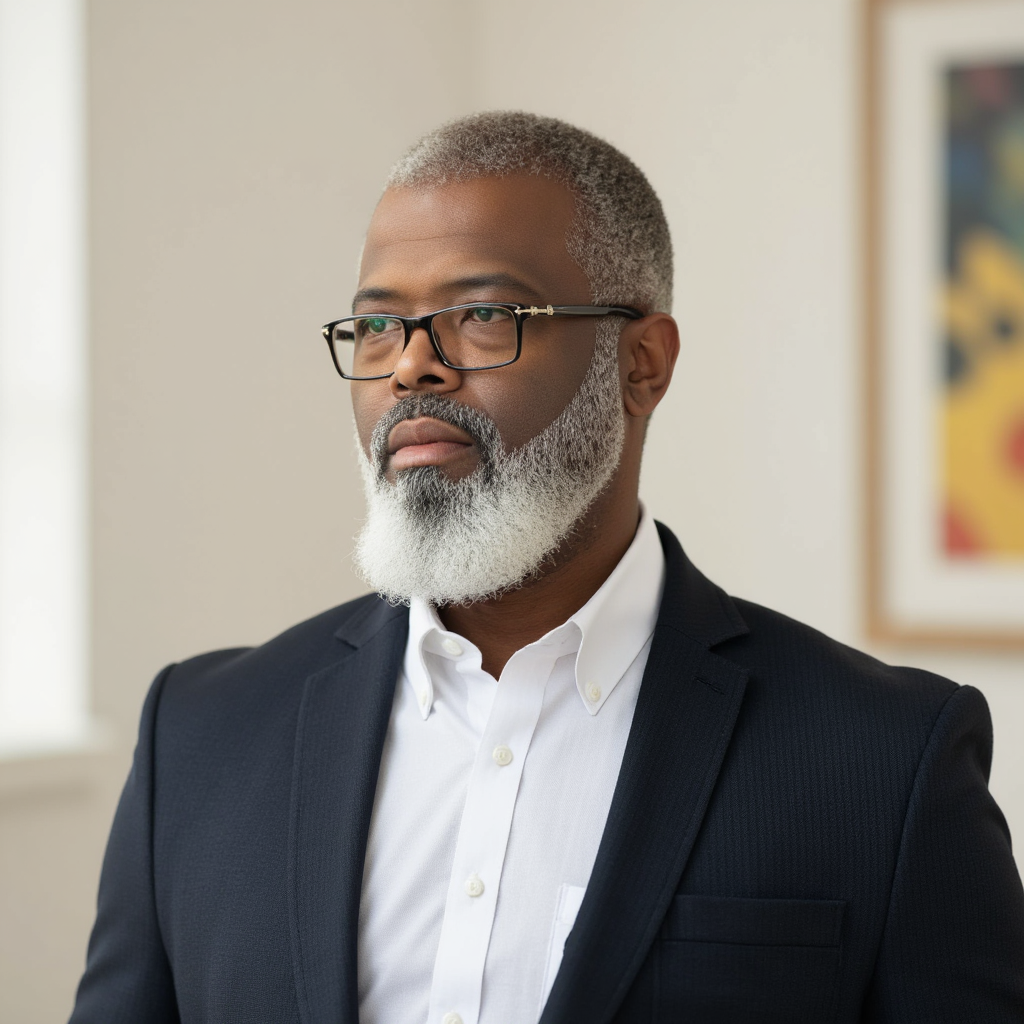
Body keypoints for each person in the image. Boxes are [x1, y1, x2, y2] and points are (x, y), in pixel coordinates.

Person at [70, 111, 1024, 1024]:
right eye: (376, 327)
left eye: (483, 314)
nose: (410, 368)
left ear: (641, 364)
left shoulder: (886, 761)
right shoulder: (199, 740)